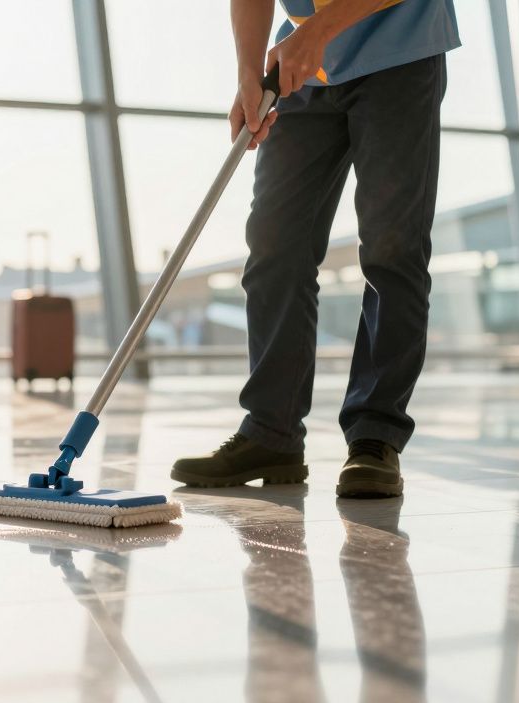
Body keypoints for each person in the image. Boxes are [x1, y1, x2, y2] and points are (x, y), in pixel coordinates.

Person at [171, 0, 460, 497]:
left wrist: (318, 32)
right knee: (274, 244)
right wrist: (248, 75)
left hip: (399, 54)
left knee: (392, 248)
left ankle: (375, 437)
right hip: (304, 69)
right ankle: (271, 432)